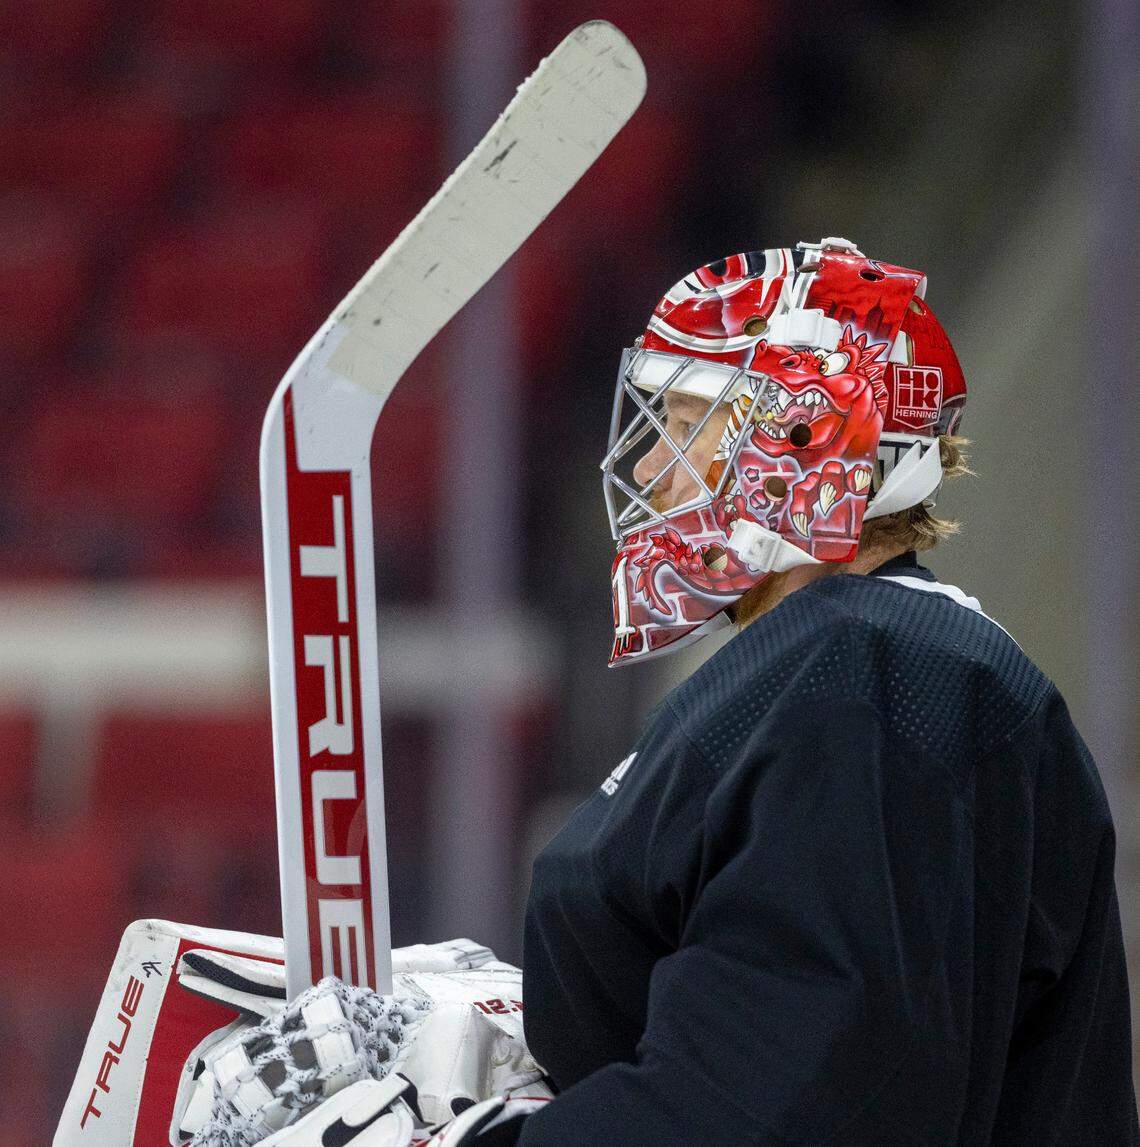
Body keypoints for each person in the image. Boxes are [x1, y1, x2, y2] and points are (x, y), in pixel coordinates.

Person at [180, 238, 1138, 1145]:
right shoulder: (869, 667)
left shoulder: (869, 679)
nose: (644, 467)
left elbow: (776, 1110)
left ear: (802, 433)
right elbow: (773, 1029)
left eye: (682, 423)